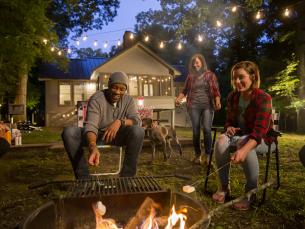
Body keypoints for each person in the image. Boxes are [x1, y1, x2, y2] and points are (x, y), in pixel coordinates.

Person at [212, 61, 275, 210]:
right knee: (221, 140)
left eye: (241, 77)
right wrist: (229, 128)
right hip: (240, 137)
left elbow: (259, 132)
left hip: (263, 141)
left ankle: (250, 193)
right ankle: (224, 187)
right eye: (234, 78)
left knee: (242, 142)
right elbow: (228, 122)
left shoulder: (264, 98)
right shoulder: (233, 97)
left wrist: (244, 149)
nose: (237, 82)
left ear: (252, 76)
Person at [62, 71, 145, 179]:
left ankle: (127, 178)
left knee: (138, 131)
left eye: (122, 89)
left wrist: (120, 121)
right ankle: (83, 179)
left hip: (116, 136)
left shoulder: (128, 100)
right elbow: (91, 125)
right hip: (96, 136)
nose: (117, 92)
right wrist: (92, 145)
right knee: (69, 132)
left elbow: (136, 120)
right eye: (114, 87)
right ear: (109, 86)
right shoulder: (97, 98)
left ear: (125, 90)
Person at [175, 53, 221, 165]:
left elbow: (215, 90)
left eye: (197, 62)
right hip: (193, 106)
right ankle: (197, 155)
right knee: (195, 131)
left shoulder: (210, 75)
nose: (195, 65)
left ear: (202, 62)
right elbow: (185, 90)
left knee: (206, 129)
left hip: (207, 106)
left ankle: (208, 155)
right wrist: (178, 98)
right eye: (193, 63)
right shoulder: (191, 76)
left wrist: (218, 101)